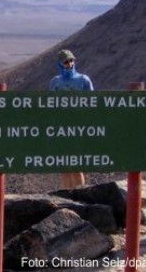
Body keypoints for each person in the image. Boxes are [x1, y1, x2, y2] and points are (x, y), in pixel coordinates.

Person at [49, 49, 94, 189]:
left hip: (79, 128)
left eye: (71, 60)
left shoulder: (83, 80)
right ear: (60, 64)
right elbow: (50, 105)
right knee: (64, 166)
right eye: (66, 61)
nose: (70, 64)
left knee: (76, 165)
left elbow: (93, 103)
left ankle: (81, 196)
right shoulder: (55, 82)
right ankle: (65, 197)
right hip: (61, 128)